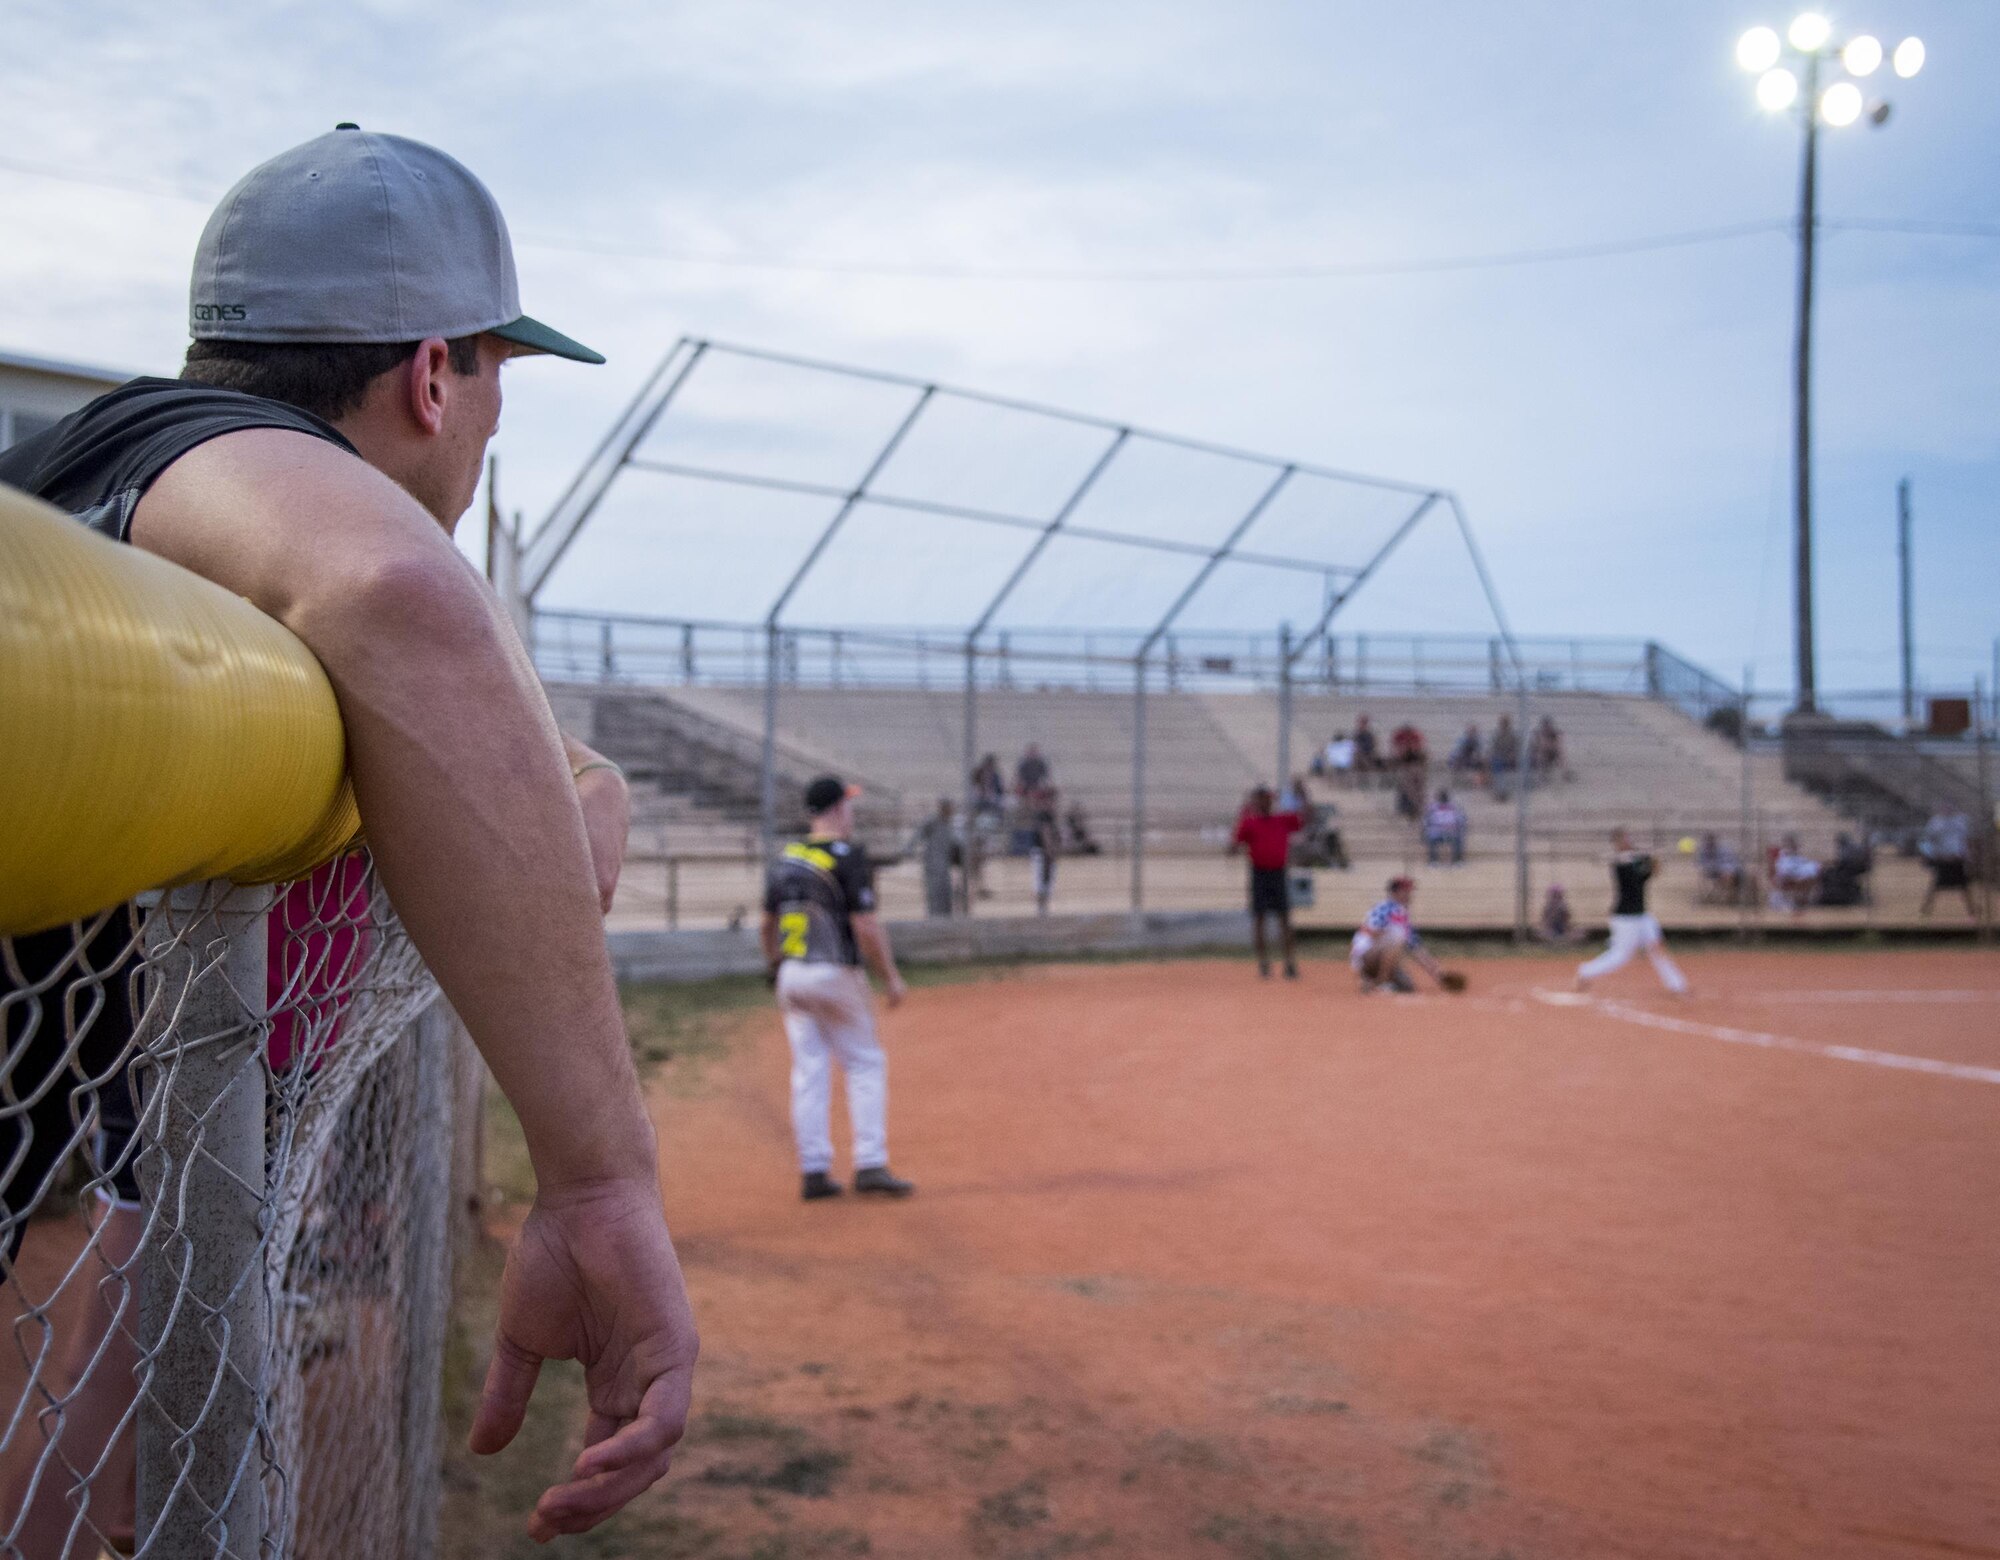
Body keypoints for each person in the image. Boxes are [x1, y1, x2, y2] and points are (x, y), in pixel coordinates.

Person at [0, 126, 690, 1543]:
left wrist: (580, 766)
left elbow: (433, 641)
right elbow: (395, 588)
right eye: (499, 373)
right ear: (436, 376)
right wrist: (601, 1178)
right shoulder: (200, 455)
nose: (496, 421)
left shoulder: (129, 478)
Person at [761, 776, 915, 1202]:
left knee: (809, 1072)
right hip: (834, 973)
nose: (851, 813)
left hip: (792, 974)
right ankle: (870, 1163)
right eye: (848, 806)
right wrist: (891, 977)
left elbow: (766, 923)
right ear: (836, 810)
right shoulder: (847, 857)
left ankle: (814, 1171)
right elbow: (864, 924)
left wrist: (774, 964)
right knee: (865, 1063)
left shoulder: (786, 859)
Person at [1576, 828, 1689, 994]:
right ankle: (1585, 971)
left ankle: (1676, 985)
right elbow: (1632, 871)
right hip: (1625, 917)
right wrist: (1645, 859)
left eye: (1628, 838)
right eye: (1624, 839)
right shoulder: (1620, 863)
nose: (1628, 842)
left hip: (1642, 915)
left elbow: (1649, 874)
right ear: (1617, 843)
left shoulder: (1636, 859)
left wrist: (1654, 860)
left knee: (1657, 947)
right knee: (1620, 956)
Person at [1229, 787, 1303, 979]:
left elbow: (1303, 820)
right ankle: (1263, 963)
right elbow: (1233, 846)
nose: (1265, 803)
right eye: (1261, 799)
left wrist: (1300, 796)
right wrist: (1241, 820)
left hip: (1278, 873)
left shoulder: (1282, 819)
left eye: (1267, 799)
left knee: (1284, 919)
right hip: (1260, 874)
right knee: (1260, 919)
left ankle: (1289, 962)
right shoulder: (1249, 822)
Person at [1349, 877, 1448, 993]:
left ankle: (1372, 981)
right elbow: (1369, 934)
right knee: (1397, 934)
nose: (1409, 895)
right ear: (1394, 892)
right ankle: (1380, 983)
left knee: (1407, 986)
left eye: (1409, 891)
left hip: (1377, 957)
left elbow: (1416, 948)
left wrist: (1437, 973)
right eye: (1405, 891)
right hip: (1365, 956)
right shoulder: (1384, 908)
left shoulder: (1402, 915)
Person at [1919, 806, 1976, 918]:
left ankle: (1972, 911)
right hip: (1943, 860)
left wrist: (1967, 855)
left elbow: (1966, 839)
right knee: (1936, 885)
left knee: (1964, 886)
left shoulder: (1961, 821)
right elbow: (1925, 841)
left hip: (1957, 859)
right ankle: (1926, 910)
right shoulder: (1935, 823)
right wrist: (1932, 855)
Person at [912, 797, 958, 918]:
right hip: (933, 864)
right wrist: (909, 848)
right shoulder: (933, 821)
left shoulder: (949, 824)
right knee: (934, 894)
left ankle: (945, 919)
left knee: (946, 893)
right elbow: (918, 834)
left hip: (944, 865)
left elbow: (955, 843)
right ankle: (934, 919)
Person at [1818, 833, 1873, 908]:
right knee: (1829, 873)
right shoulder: (1851, 847)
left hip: (1853, 868)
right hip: (1850, 867)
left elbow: (1844, 861)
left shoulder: (1849, 848)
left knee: (1832, 874)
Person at [1769, 835, 1820, 913]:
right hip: (1783, 897)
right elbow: (1784, 873)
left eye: (1792, 845)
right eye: (1788, 845)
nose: (1791, 847)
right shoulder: (1781, 861)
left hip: (1799, 894)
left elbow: (1812, 869)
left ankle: (1801, 901)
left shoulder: (1800, 859)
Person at [1029, 795, 1062, 916]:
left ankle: (1043, 906)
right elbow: (1045, 833)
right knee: (1042, 880)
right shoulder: (1044, 817)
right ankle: (1041, 906)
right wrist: (1050, 851)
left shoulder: (1050, 817)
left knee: (1046, 881)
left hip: (1045, 852)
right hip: (1042, 853)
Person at [1695, 832, 1745, 904]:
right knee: (1727, 875)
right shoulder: (1703, 852)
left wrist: (1732, 869)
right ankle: (1731, 897)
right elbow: (1702, 865)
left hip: (1734, 870)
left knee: (1753, 876)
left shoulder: (1724, 849)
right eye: (1708, 841)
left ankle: (1752, 900)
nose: (1710, 843)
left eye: (1712, 841)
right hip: (1716, 873)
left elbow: (1734, 861)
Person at [1422, 790, 1467, 866]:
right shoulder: (1432, 808)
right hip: (1436, 831)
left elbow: (1461, 819)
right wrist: (1428, 829)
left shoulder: (1454, 807)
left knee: (1458, 838)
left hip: (1451, 831)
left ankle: (1457, 860)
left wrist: (1458, 827)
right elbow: (1426, 820)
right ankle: (1433, 860)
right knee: (1431, 838)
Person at [1488, 714, 1521, 801]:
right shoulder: (1497, 735)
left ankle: (1502, 792)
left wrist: (1512, 755)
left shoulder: (1513, 735)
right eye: (1502, 723)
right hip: (1500, 758)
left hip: (1510, 758)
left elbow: (1517, 748)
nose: (1503, 725)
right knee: (1497, 765)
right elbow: (1494, 748)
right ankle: (1500, 791)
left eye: (1505, 723)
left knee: (1500, 766)